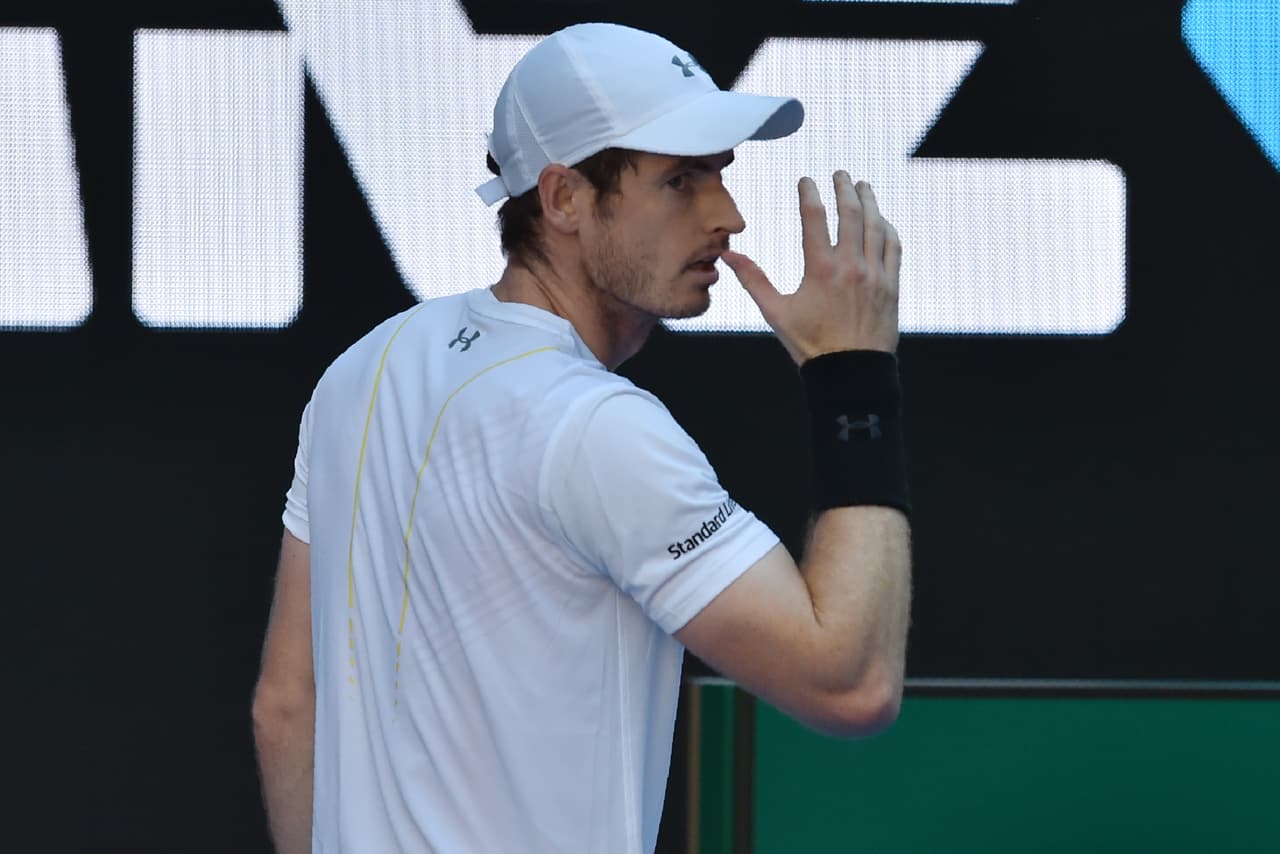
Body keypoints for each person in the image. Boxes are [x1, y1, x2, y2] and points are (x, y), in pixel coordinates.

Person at [252, 21, 911, 854]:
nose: (728, 216)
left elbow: (286, 706)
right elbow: (848, 683)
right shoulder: (596, 426)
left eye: (720, 173)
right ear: (564, 198)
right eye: (680, 180)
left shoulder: (364, 370)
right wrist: (852, 373)